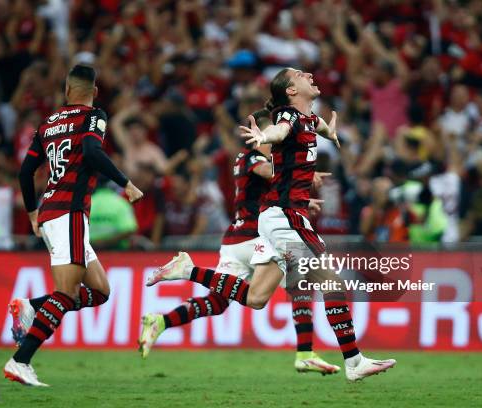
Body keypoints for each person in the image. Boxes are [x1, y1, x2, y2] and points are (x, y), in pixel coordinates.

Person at [147, 68, 395, 381]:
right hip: (284, 217)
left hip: (276, 217)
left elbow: (314, 125)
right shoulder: (288, 118)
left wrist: (328, 132)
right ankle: (352, 360)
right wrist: (265, 136)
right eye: (299, 75)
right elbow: (279, 131)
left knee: (256, 298)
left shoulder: (307, 118)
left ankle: (188, 271)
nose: (308, 74)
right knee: (331, 282)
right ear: (291, 92)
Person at [139, 109, 338, 375]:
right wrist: (298, 170)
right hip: (256, 238)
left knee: (218, 302)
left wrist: (302, 200)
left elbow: (273, 191)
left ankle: (160, 321)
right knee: (298, 281)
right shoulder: (253, 157)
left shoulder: (246, 159)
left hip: (236, 239)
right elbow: (268, 172)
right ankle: (305, 353)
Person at [3, 64, 143, 386]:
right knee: (66, 294)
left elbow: (25, 173)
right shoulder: (94, 117)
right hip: (69, 212)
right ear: (94, 92)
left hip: (53, 211)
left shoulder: (48, 123)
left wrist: (31, 212)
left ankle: (29, 306)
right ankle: (20, 361)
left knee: (101, 290)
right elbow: (93, 152)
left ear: (66, 91)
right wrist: (126, 183)